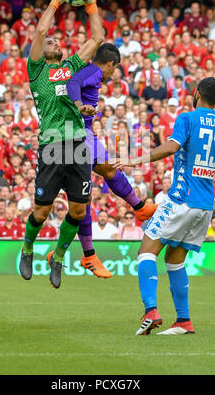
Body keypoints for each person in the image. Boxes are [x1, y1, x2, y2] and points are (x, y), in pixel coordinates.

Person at [111, 77, 215, 335]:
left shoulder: (187, 118)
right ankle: (183, 320)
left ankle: (150, 310)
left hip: (182, 198)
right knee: (174, 258)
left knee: (147, 251)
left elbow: (173, 146)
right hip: (205, 206)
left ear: (196, 94)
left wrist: (136, 159)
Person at [19, 0, 105, 289]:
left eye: (57, 41)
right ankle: (28, 248)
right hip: (52, 147)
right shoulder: (37, 70)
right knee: (41, 212)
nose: (53, 41)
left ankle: (58, 257)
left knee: (79, 210)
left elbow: (98, 37)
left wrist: (91, 5)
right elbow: (40, 32)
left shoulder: (72, 66)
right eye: (49, 41)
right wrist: (56, 1)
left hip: (78, 145)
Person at [67, 42, 157, 276]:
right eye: (113, 70)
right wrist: (79, 105)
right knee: (83, 199)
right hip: (74, 135)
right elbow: (73, 83)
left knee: (109, 169)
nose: (111, 75)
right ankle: (88, 255)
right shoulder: (94, 72)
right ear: (110, 64)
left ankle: (139, 208)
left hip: (87, 133)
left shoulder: (94, 73)